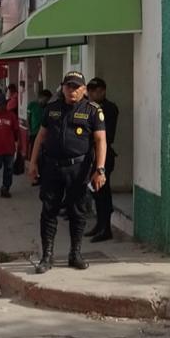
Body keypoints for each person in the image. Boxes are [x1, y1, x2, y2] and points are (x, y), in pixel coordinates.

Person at [27, 71, 108, 274]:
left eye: (77, 87)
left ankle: (75, 254)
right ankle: (47, 256)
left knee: (77, 212)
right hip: (52, 167)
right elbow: (41, 136)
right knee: (48, 211)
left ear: (83, 89)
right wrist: (32, 162)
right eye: (68, 86)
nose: (72, 90)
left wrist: (100, 169)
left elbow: (100, 141)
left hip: (78, 169)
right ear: (62, 87)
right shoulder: (51, 109)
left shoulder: (92, 110)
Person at [85, 77, 119, 242]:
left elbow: (107, 135)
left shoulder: (109, 108)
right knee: (96, 192)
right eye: (91, 91)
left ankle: (106, 227)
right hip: (92, 155)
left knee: (103, 192)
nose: (93, 94)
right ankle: (100, 224)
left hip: (104, 155)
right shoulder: (89, 107)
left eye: (97, 91)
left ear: (103, 91)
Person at [26, 89, 52, 160]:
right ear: (41, 97)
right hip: (34, 132)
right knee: (33, 150)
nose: (46, 101)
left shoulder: (47, 107)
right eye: (45, 99)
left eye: (48, 100)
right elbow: (28, 119)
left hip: (44, 133)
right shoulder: (32, 105)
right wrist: (29, 130)